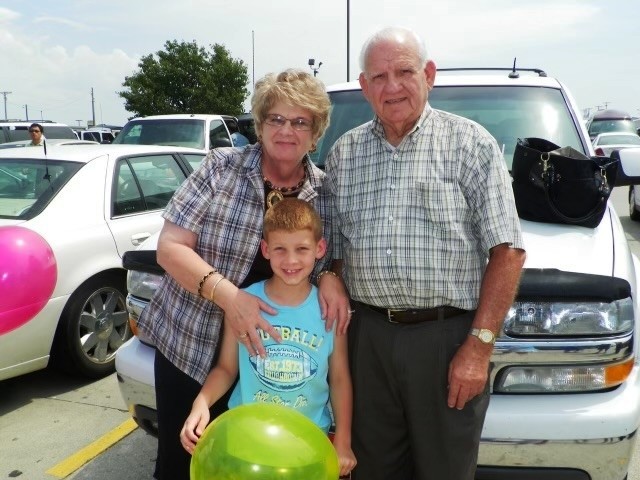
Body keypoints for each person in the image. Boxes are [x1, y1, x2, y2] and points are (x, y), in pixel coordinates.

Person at [325, 26, 526, 480]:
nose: (392, 87)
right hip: (367, 341)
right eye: (379, 77)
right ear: (364, 86)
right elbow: (332, 248)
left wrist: (479, 347)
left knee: (445, 471)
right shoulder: (343, 154)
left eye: (404, 72)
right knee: (371, 470)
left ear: (429, 75)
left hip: (446, 340)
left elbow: (508, 251)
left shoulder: (471, 144)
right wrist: (329, 274)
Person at [136, 69, 351, 480]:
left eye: (300, 121)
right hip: (191, 347)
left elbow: (330, 257)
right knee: (182, 462)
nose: (286, 130)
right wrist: (230, 297)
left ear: (316, 132)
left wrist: (330, 277)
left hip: (269, 369)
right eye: (276, 118)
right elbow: (170, 247)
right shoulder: (221, 168)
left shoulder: (326, 192)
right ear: (260, 123)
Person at [180, 198, 357, 477]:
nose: (291, 260)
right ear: (265, 250)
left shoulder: (330, 310)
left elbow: (339, 378)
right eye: (280, 249)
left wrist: (343, 442)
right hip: (247, 442)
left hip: (305, 446)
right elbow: (226, 368)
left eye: (302, 249)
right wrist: (201, 403)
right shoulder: (242, 302)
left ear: (320, 249)